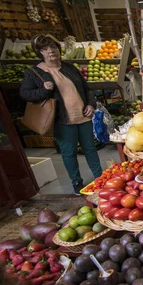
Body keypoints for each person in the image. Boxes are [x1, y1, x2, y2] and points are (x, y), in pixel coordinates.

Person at [20, 34, 102, 194]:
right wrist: (44, 90)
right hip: (62, 120)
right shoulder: (35, 73)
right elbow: (25, 94)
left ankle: (100, 177)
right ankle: (77, 182)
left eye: (53, 47)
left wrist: (91, 104)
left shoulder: (69, 67)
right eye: (45, 49)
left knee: (90, 148)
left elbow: (87, 89)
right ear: (39, 53)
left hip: (83, 116)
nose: (51, 51)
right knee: (69, 152)